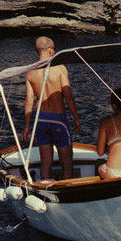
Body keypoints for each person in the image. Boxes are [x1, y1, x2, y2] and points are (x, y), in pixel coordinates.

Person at [23, 35, 82, 182]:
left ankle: (44, 191)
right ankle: (66, 195)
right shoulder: (60, 68)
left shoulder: (31, 72)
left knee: (46, 162)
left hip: (40, 120)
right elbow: (68, 95)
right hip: (58, 120)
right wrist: (76, 118)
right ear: (49, 49)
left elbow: (29, 101)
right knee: (67, 163)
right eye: (53, 49)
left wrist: (26, 127)